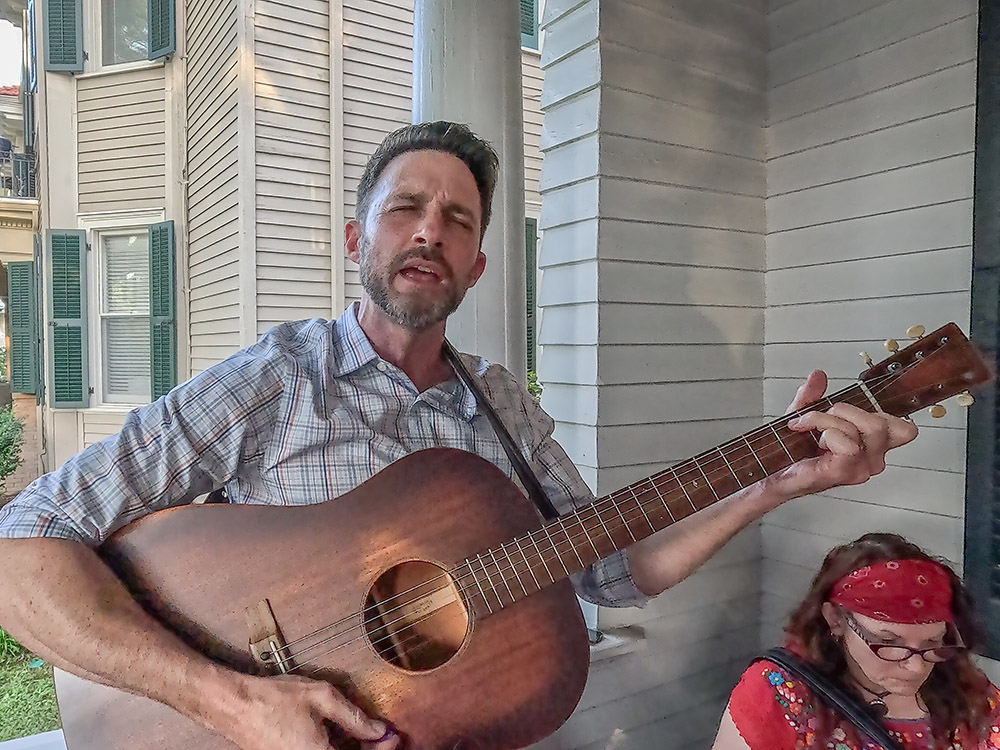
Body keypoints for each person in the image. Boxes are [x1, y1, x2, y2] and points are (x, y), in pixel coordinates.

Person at [0, 121, 917, 750]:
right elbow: (21, 544)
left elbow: (611, 567)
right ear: (356, 236)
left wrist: (777, 480)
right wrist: (234, 699)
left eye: (458, 219)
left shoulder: (503, 411)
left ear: (478, 264)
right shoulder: (275, 380)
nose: (429, 231)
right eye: (407, 208)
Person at [712, 533, 1000, 750]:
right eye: (889, 642)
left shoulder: (973, 698)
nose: (915, 667)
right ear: (836, 619)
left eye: (933, 643)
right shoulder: (780, 693)